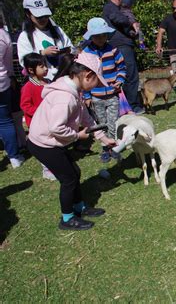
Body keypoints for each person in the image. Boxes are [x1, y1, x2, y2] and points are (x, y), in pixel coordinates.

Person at [27, 52, 116, 231]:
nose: (97, 86)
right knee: (68, 179)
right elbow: (55, 127)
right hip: (43, 143)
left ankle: (79, 206)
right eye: (96, 82)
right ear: (87, 76)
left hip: (52, 141)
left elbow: (86, 118)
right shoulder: (65, 97)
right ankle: (67, 219)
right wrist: (77, 136)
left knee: (74, 172)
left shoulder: (75, 91)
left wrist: (103, 139)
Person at [82, 17, 126, 163]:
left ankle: (113, 147)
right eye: (97, 36)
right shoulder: (86, 53)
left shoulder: (113, 49)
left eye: (103, 35)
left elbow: (121, 67)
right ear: (91, 37)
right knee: (101, 122)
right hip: (96, 96)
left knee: (113, 122)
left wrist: (119, 81)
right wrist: (87, 95)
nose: (101, 39)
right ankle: (104, 147)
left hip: (112, 94)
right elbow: (84, 77)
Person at [103, 0, 144, 114]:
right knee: (130, 76)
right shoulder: (110, 8)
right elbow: (118, 18)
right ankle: (132, 107)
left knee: (127, 76)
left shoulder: (116, 8)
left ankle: (127, 106)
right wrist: (132, 23)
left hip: (125, 45)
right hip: (121, 46)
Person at [17, 0, 73, 81]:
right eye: (39, 17)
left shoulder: (57, 30)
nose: (43, 19)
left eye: (45, 16)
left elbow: (70, 47)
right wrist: (42, 53)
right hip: (42, 83)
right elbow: (24, 61)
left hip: (64, 79)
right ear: (28, 14)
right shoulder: (25, 36)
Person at [19, 53, 56, 180]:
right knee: (43, 147)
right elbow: (25, 105)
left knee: (52, 144)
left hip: (51, 121)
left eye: (45, 65)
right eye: (41, 66)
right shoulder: (28, 87)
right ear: (31, 70)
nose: (46, 68)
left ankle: (55, 164)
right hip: (37, 123)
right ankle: (46, 169)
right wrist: (41, 112)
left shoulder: (48, 82)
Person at [0, 15, 24, 168]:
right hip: (3, 82)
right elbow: (8, 62)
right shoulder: (3, 35)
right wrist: (11, 76)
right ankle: (14, 157)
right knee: (5, 121)